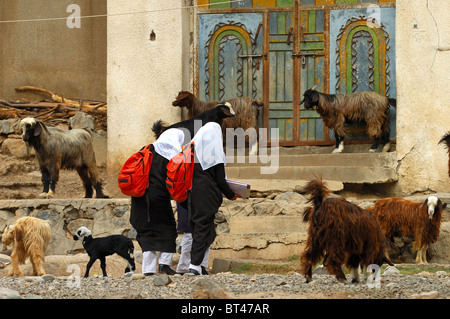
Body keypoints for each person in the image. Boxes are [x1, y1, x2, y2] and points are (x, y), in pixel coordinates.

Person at [130, 128, 185, 276]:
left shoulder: (147, 148)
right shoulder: (172, 155)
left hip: (140, 196)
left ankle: (148, 269)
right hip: (159, 197)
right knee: (168, 228)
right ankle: (164, 265)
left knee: (147, 230)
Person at [187, 122, 240, 275]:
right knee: (202, 229)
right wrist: (231, 195)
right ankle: (194, 266)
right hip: (207, 196)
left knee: (207, 230)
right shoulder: (214, 153)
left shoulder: (193, 151)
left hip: (192, 194)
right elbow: (220, 180)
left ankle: (201, 265)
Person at [175, 202, 209, 275]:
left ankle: (200, 265)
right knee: (189, 235)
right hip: (188, 203)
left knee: (206, 234)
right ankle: (184, 267)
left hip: (202, 202)